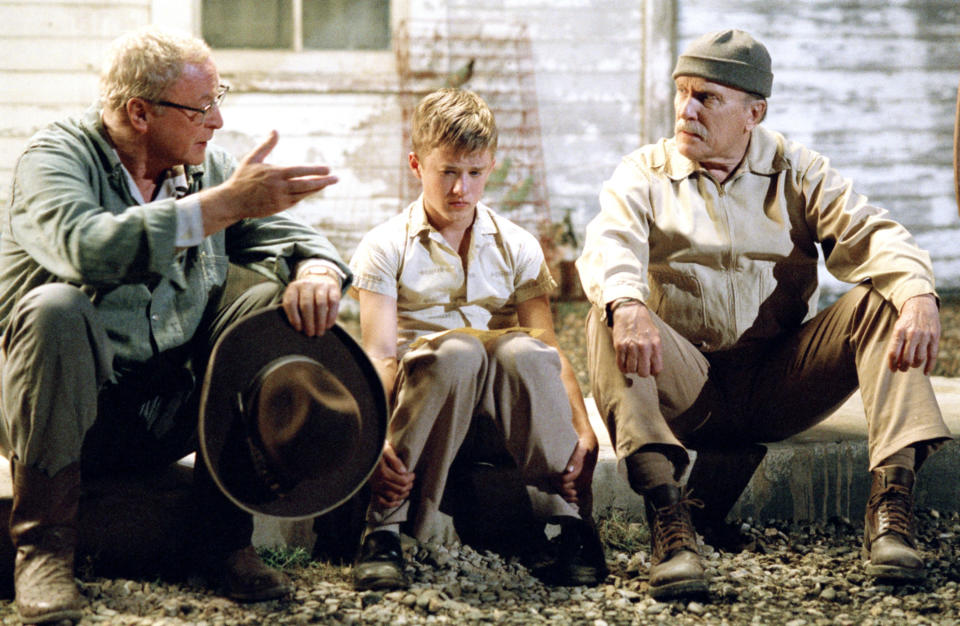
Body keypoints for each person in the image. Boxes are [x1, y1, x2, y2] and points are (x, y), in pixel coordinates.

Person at [576, 29, 953, 600]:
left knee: (885, 298)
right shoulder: (645, 173)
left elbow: (873, 232)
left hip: (779, 380)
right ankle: (669, 522)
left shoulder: (796, 170)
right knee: (611, 312)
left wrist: (919, 294)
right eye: (681, 92)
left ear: (754, 112)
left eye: (707, 97)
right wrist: (626, 300)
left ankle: (891, 508)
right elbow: (610, 243)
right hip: (689, 386)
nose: (686, 110)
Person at [0, 27, 351, 623]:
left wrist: (316, 267)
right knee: (56, 309)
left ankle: (224, 541)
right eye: (204, 105)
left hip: (165, 412)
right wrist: (224, 205)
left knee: (264, 299)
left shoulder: (204, 168)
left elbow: (287, 235)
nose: (216, 121)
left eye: (220, 99)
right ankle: (44, 550)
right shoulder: (56, 159)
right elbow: (88, 247)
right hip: (66, 411)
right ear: (140, 112)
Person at [348, 88, 608, 590]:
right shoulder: (385, 246)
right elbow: (379, 354)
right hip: (426, 408)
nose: (460, 189)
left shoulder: (517, 245)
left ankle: (570, 525)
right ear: (416, 164)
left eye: (474, 172)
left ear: (490, 166)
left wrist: (583, 428)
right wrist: (372, 439)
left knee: (522, 351)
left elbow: (549, 347)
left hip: (499, 414)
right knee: (457, 351)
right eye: (447, 171)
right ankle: (383, 530)